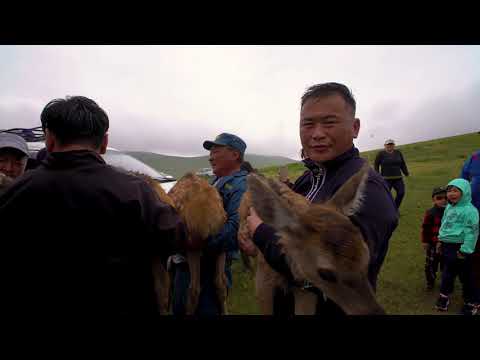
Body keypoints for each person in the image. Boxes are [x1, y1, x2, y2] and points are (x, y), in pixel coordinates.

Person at [0, 96, 183, 323]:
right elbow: (174, 237)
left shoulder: (15, 192)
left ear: (49, 140)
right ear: (104, 143)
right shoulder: (135, 192)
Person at [239, 82, 399, 316]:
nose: (317, 134)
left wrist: (261, 233)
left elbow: (336, 268)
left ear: (354, 127)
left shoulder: (369, 189)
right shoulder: (309, 178)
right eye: (308, 124)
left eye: (329, 123)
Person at [172, 133, 248, 315]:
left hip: (208, 270)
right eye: (210, 153)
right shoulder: (213, 182)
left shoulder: (242, 186)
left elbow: (235, 230)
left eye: (216, 151)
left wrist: (194, 242)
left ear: (235, 155)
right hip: (187, 265)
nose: (210, 157)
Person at [435, 179, 479, 314]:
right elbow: (444, 225)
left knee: (466, 277)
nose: (451, 194)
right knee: (447, 273)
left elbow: (472, 232)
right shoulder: (449, 207)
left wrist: (465, 250)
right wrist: (440, 240)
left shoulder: (470, 211)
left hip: (461, 248)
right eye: (449, 190)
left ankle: (471, 302)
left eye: (455, 191)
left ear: (464, 192)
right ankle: (444, 296)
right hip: (447, 247)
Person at [460, 149, 480, 314]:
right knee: (473, 258)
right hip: (474, 215)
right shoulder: (474, 157)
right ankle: (474, 299)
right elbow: (463, 182)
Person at [421, 186, 447, 290]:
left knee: (446, 266)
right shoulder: (430, 213)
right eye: (439, 198)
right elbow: (425, 228)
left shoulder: (452, 212)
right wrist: (425, 241)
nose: (443, 200)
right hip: (433, 245)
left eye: (445, 198)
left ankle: (446, 282)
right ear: (434, 199)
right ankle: (430, 281)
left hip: (447, 244)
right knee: (430, 265)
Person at [374, 139, 409, 210]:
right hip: (386, 179)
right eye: (388, 145)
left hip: (398, 178)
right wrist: (377, 174)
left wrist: (406, 173)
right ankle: (386, 210)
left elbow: (402, 163)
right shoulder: (381, 154)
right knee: (386, 196)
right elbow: (376, 164)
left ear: (394, 145)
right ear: (385, 146)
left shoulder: (398, 152)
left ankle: (395, 208)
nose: (390, 146)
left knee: (401, 193)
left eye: (391, 144)